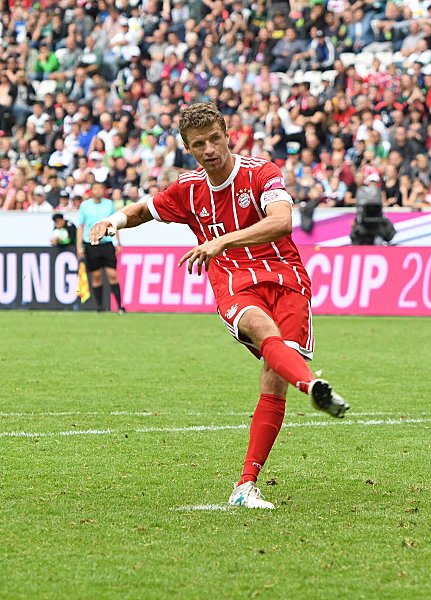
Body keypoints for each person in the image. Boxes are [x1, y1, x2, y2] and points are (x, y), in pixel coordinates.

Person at [88, 103, 349, 509]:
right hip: (234, 280)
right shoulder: (189, 189)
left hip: (286, 278)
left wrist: (221, 240)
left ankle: (246, 484)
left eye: (214, 138)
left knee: (272, 374)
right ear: (189, 150)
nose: (209, 149)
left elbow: (282, 222)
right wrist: (113, 221)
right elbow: (144, 211)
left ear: (227, 133)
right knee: (265, 334)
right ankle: (312, 386)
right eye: (198, 145)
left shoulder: (261, 172)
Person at [76, 181, 125, 313]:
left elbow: (115, 223)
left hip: (106, 243)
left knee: (112, 274)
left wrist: (118, 242)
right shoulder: (85, 206)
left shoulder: (109, 204)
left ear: (103, 190)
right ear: (91, 191)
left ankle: (120, 306)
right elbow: (80, 226)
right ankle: (100, 307)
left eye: (100, 188)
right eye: (95, 189)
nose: (98, 191)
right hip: (91, 244)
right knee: (96, 276)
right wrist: (79, 246)